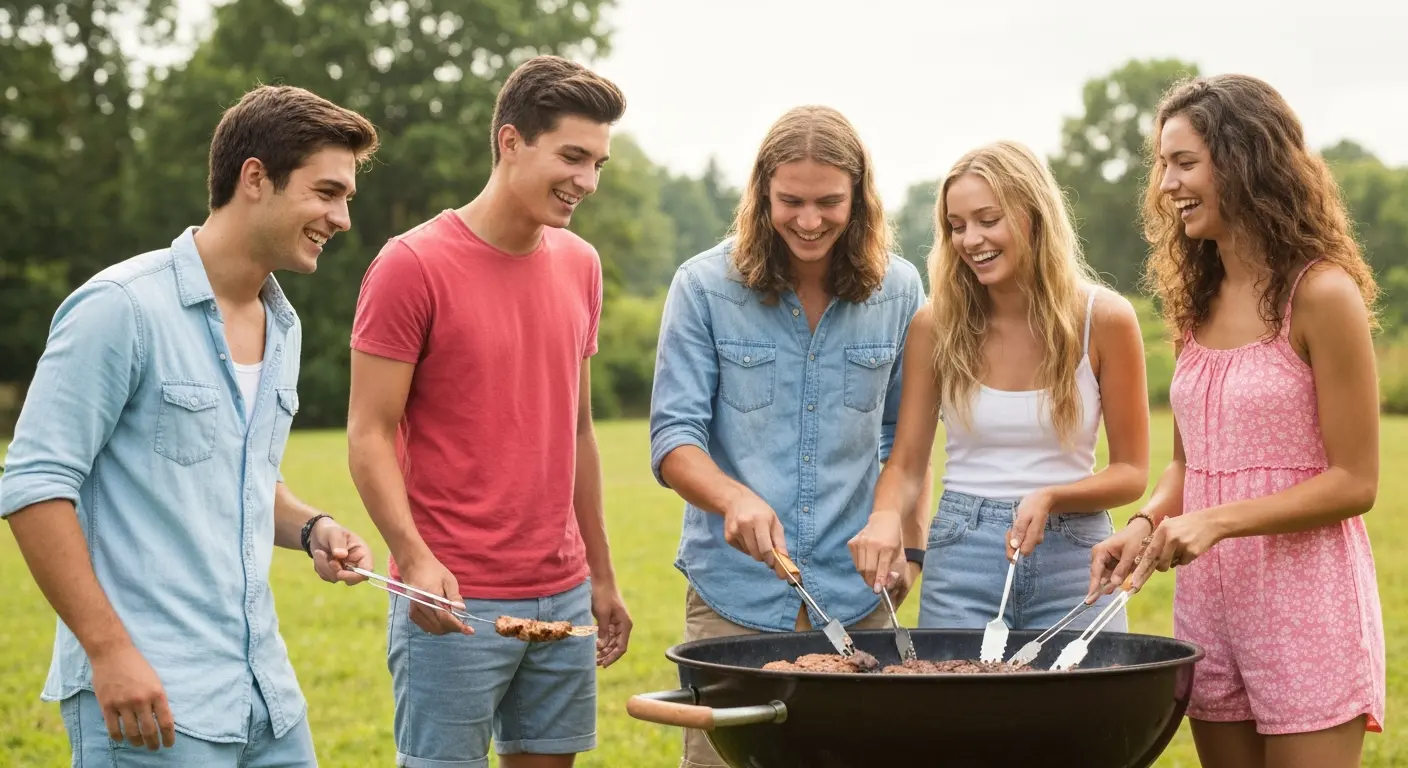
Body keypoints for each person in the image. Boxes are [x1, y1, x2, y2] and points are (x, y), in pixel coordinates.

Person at [0, 84, 379, 764]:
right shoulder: (120, 307)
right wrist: (108, 652)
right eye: (327, 192)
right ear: (255, 178)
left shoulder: (284, 325)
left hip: (266, 697)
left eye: (346, 197)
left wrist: (313, 528)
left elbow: (240, 476)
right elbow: (34, 486)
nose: (342, 218)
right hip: (150, 701)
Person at [1088, 74, 1385, 768]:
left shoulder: (1322, 293)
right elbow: (1188, 464)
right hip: (1211, 608)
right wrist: (1146, 522)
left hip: (1306, 603)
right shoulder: (1198, 300)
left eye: (1184, 162)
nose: (1166, 184)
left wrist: (1216, 522)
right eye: (1163, 164)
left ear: (1246, 160)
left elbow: (1356, 480)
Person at [346, 54, 632, 768]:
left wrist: (600, 574)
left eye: (598, 163)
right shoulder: (411, 265)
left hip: (563, 593)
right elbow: (369, 432)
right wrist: (414, 558)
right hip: (453, 600)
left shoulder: (581, 264)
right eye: (572, 156)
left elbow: (578, 431)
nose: (588, 181)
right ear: (511, 142)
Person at [649, 105, 928, 768]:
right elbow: (674, 437)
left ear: (858, 197)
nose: (809, 221)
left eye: (829, 202)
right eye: (791, 202)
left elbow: (906, 440)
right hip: (734, 596)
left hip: (859, 596)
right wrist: (732, 498)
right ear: (762, 194)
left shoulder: (900, 289)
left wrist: (906, 542)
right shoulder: (703, 287)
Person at [850, 140, 1150, 636]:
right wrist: (884, 516)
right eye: (957, 225)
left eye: (988, 220)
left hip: (1077, 561)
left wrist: (1052, 496)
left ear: (1034, 216)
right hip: (962, 557)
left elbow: (1132, 473)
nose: (971, 239)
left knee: (1088, 691)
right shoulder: (935, 326)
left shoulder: (1105, 320)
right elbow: (906, 462)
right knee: (957, 690)